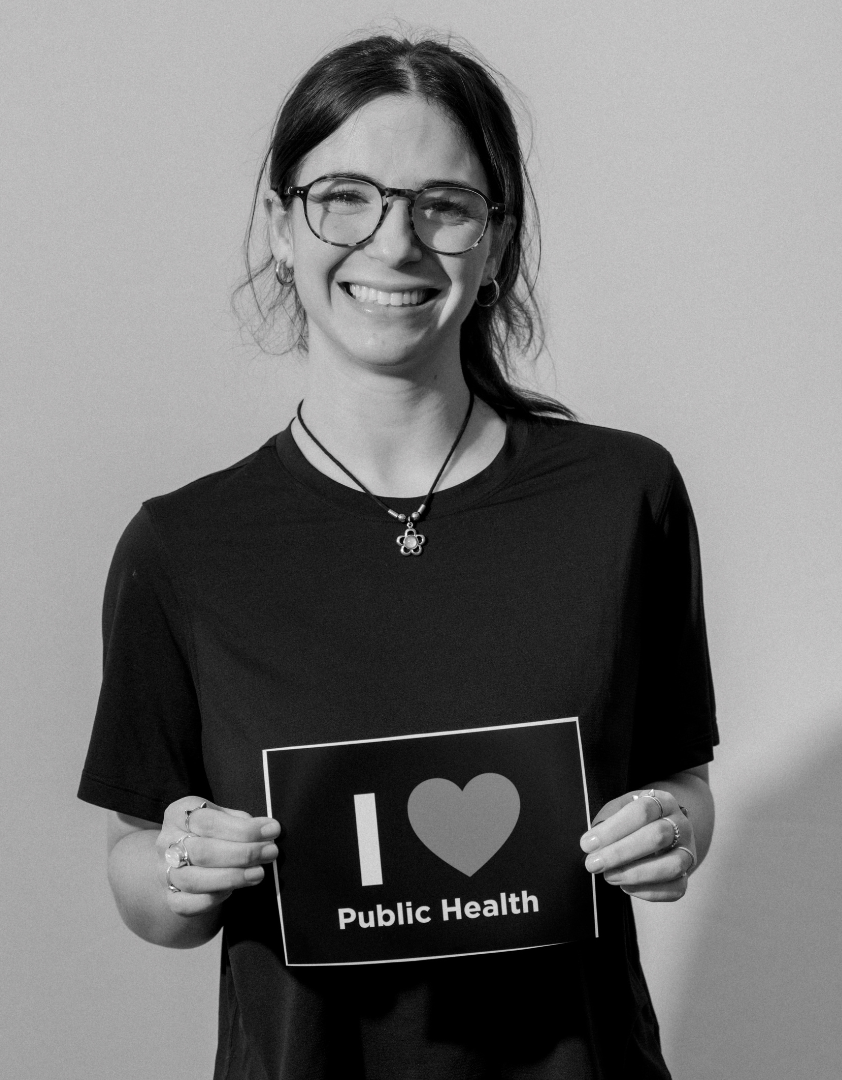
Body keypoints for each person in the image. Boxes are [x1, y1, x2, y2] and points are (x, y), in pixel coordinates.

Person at [79, 35, 716, 1078]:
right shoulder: (182, 549)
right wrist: (184, 867)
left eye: (443, 205)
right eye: (345, 197)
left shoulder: (621, 498)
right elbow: (139, 867)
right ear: (284, 226)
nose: (394, 242)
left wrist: (670, 827)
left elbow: (676, 776)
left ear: (498, 239)